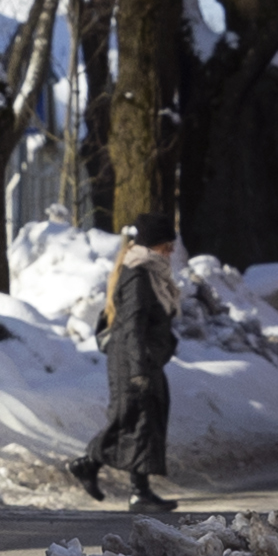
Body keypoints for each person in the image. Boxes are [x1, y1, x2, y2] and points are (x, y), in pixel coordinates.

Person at [68, 213, 181, 513]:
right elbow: (132, 325)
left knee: (143, 420)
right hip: (133, 358)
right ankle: (102, 470)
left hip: (143, 357)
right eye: (166, 246)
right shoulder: (138, 275)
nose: (170, 252)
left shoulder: (149, 272)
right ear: (153, 245)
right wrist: (139, 369)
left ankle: (129, 485)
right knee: (132, 420)